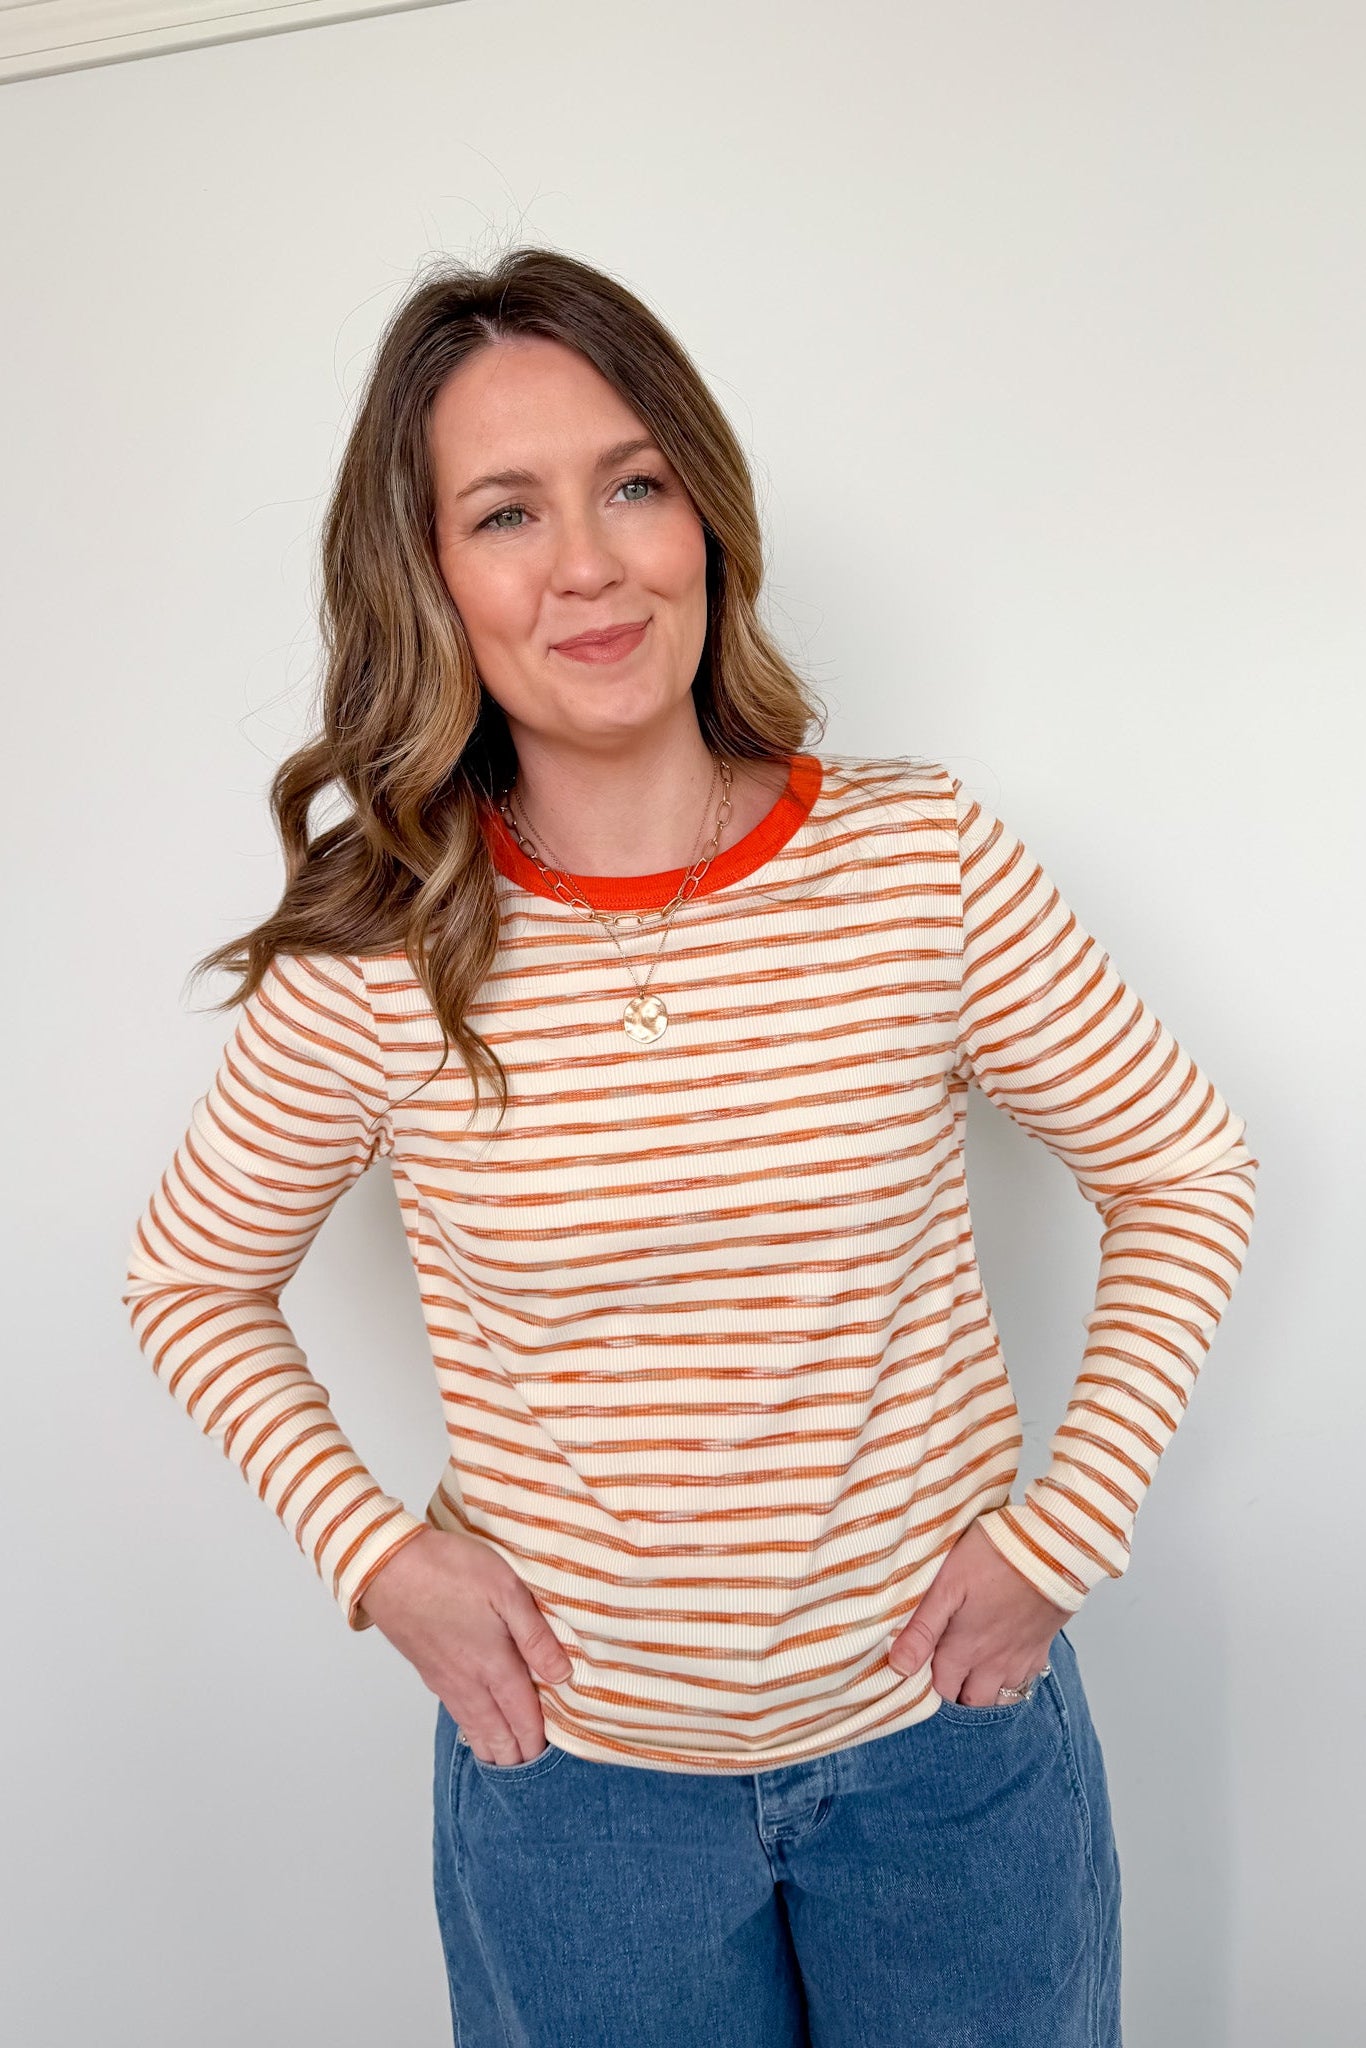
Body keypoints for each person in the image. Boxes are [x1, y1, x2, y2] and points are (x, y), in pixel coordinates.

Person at [122, 246, 1259, 2048]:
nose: (586, 562)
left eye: (633, 484)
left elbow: (1182, 1169)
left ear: (705, 520)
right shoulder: (379, 953)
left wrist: (1066, 1535)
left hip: (949, 1763)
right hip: (576, 1801)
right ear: (428, 575)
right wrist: (380, 1563)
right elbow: (190, 1280)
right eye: (506, 512)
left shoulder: (920, 863)